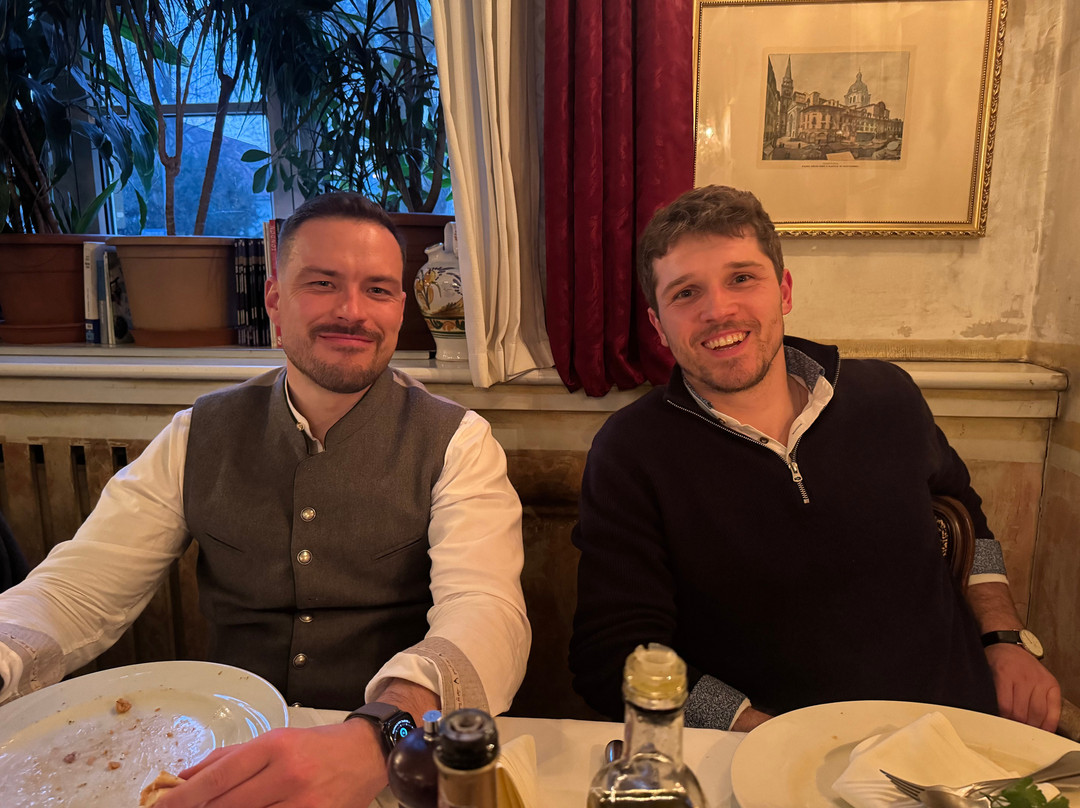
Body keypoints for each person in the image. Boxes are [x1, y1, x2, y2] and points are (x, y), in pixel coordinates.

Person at [0, 193, 530, 808]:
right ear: (275, 300)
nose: (352, 311)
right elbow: (79, 588)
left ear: (399, 308)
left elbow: (486, 613)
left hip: (392, 766)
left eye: (378, 290)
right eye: (323, 283)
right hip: (221, 754)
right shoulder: (197, 435)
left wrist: (384, 733)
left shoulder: (459, 442)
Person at [569, 185, 1060, 734]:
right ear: (659, 326)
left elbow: (967, 520)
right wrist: (761, 733)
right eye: (685, 292)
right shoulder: (632, 450)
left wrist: (1004, 638)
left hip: (956, 728)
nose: (719, 310)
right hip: (769, 752)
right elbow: (614, 655)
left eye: (742, 278)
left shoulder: (888, 396)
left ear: (783, 291)